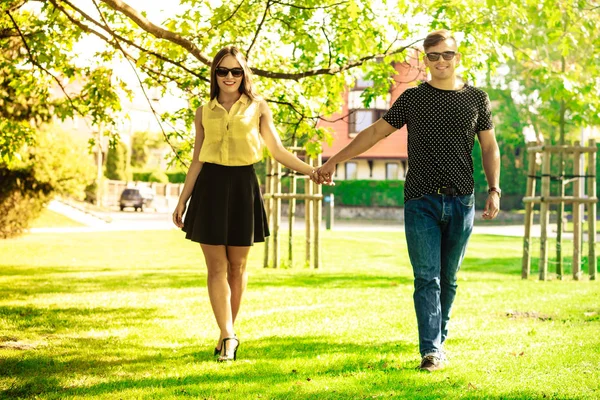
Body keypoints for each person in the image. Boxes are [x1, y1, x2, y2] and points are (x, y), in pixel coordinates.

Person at [313, 30, 501, 371]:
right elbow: (373, 133)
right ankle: (431, 351)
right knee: (426, 277)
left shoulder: (477, 98)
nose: (441, 61)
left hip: (462, 199)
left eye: (447, 55)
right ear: (426, 60)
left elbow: (489, 147)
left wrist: (494, 189)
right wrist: (333, 160)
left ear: (457, 57)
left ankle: (438, 342)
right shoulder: (413, 99)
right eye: (433, 56)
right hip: (421, 200)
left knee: (449, 277)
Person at [172, 45, 318, 362]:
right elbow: (196, 159)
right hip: (209, 187)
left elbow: (277, 151)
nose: (229, 76)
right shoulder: (204, 110)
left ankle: (227, 334)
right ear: (215, 74)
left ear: (244, 74)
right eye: (222, 70)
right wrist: (182, 200)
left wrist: (312, 171)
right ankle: (228, 335)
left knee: (237, 268)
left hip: (243, 186)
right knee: (217, 267)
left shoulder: (258, 107)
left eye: (236, 71)